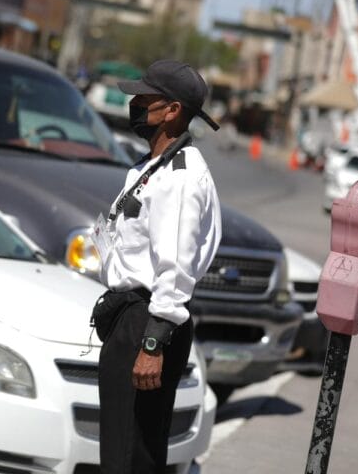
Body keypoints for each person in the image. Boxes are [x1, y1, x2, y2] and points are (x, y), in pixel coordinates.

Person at [92, 60, 222, 473]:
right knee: (121, 452)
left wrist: (153, 344)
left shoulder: (180, 178)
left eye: (145, 98)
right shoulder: (154, 166)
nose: (134, 104)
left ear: (172, 110)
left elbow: (176, 268)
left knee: (132, 458)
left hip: (148, 324)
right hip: (132, 319)